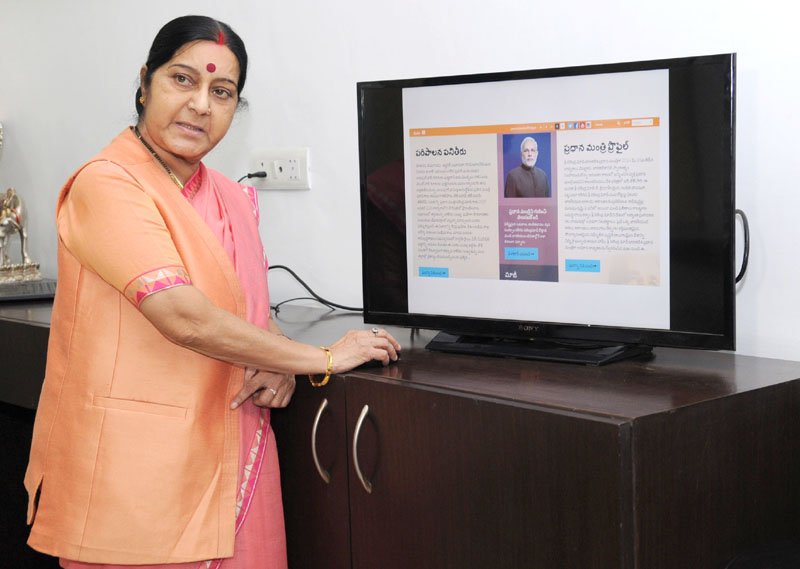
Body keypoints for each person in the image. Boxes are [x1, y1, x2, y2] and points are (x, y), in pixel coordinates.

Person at [24, 15, 400, 569]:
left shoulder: (231, 196)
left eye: (221, 91)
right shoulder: (106, 184)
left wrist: (275, 358)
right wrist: (319, 357)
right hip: (138, 471)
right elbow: (185, 317)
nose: (201, 104)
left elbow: (245, 304)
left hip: (234, 445)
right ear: (145, 81)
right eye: (183, 80)